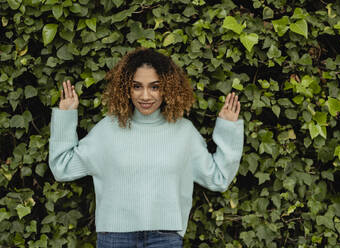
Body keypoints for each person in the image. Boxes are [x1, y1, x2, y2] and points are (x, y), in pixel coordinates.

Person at [48, 47, 244, 248]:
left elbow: (219, 179)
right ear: (127, 88)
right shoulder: (107, 130)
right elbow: (62, 168)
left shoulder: (184, 132)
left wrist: (228, 129)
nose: (145, 96)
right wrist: (66, 115)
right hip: (115, 238)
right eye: (137, 86)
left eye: (155, 87)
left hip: (165, 238)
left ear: (167, 87)